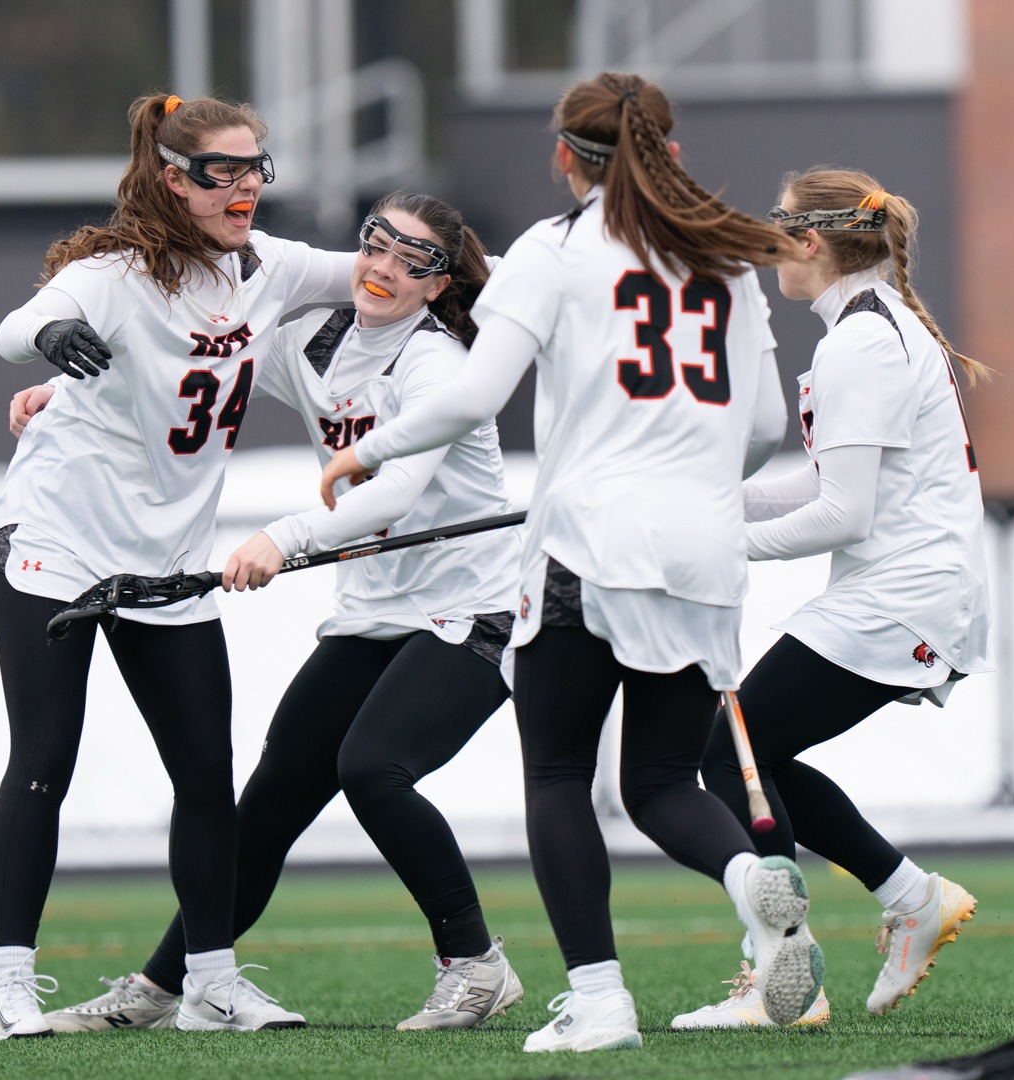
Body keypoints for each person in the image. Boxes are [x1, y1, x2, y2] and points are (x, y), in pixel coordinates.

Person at [317, 71, 819, 1053]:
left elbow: (472, 397)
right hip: (705, 547)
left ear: (564, 158)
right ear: (669, 153)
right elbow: (761, 425)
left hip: (586, 543)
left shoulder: (552, 250)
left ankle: (599, 1004)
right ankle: (744, 879)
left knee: (554, 774)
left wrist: (365, 449)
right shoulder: (728, 258)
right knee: (667, 781)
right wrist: (692, 469)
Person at [19, 192, 528, 1034]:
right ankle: (163, 986)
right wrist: (60, 389)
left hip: (468, 609)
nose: (385, 270)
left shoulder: (437, 365)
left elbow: (395, 487)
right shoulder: (315, 340)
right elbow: (189, 359)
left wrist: (284, 539)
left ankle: (475, 963)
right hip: (374, 610)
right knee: (268, 804)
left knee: (374, 768)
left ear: (439, 286)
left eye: (414, 262)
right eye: (377, 246)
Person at [0, 91, 356, 1040]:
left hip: (168, 559)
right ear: (172, 178)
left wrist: (545, 275)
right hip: (56, 542)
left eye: (256, 167)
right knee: (44, 762)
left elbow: (384, 273)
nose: (246, 187)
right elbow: (14, 328)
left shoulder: (269, 269)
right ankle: (10, 984)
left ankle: (212, 982)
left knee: (204, 774)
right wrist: (48, 342)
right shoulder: (110, 275)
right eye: (222, 170)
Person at [681, 166, 992, 1030]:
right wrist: (713, 499)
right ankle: (907, 898)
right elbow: (831, 485)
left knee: (731, 753)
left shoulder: (857, 341)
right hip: (898, 590)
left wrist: (714, 539)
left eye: (779, 225)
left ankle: (787, 976)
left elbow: (843, 513)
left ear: (810, 240)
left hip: (902, 597)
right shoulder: (867, 324)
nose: (772, 240)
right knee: (748, 752)